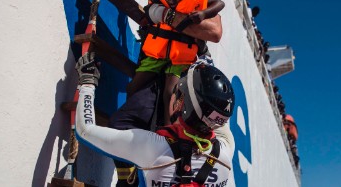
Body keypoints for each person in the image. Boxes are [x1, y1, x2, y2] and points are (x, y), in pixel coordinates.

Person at [75, 53, 236, 187]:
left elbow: (84, 130)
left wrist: (87, 82)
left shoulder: (152, 146)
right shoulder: (225, 153)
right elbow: (217, 117)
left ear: (181, 103)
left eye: (178, 89)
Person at [128, 0, 225, 125]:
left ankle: (169, 131)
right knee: (133, 87)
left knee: (170, 93)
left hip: (181, 58)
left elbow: (219, 4)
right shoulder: (159, 1)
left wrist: (203, 14)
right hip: (156, 55)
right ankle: (133, 120)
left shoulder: (195, 3)